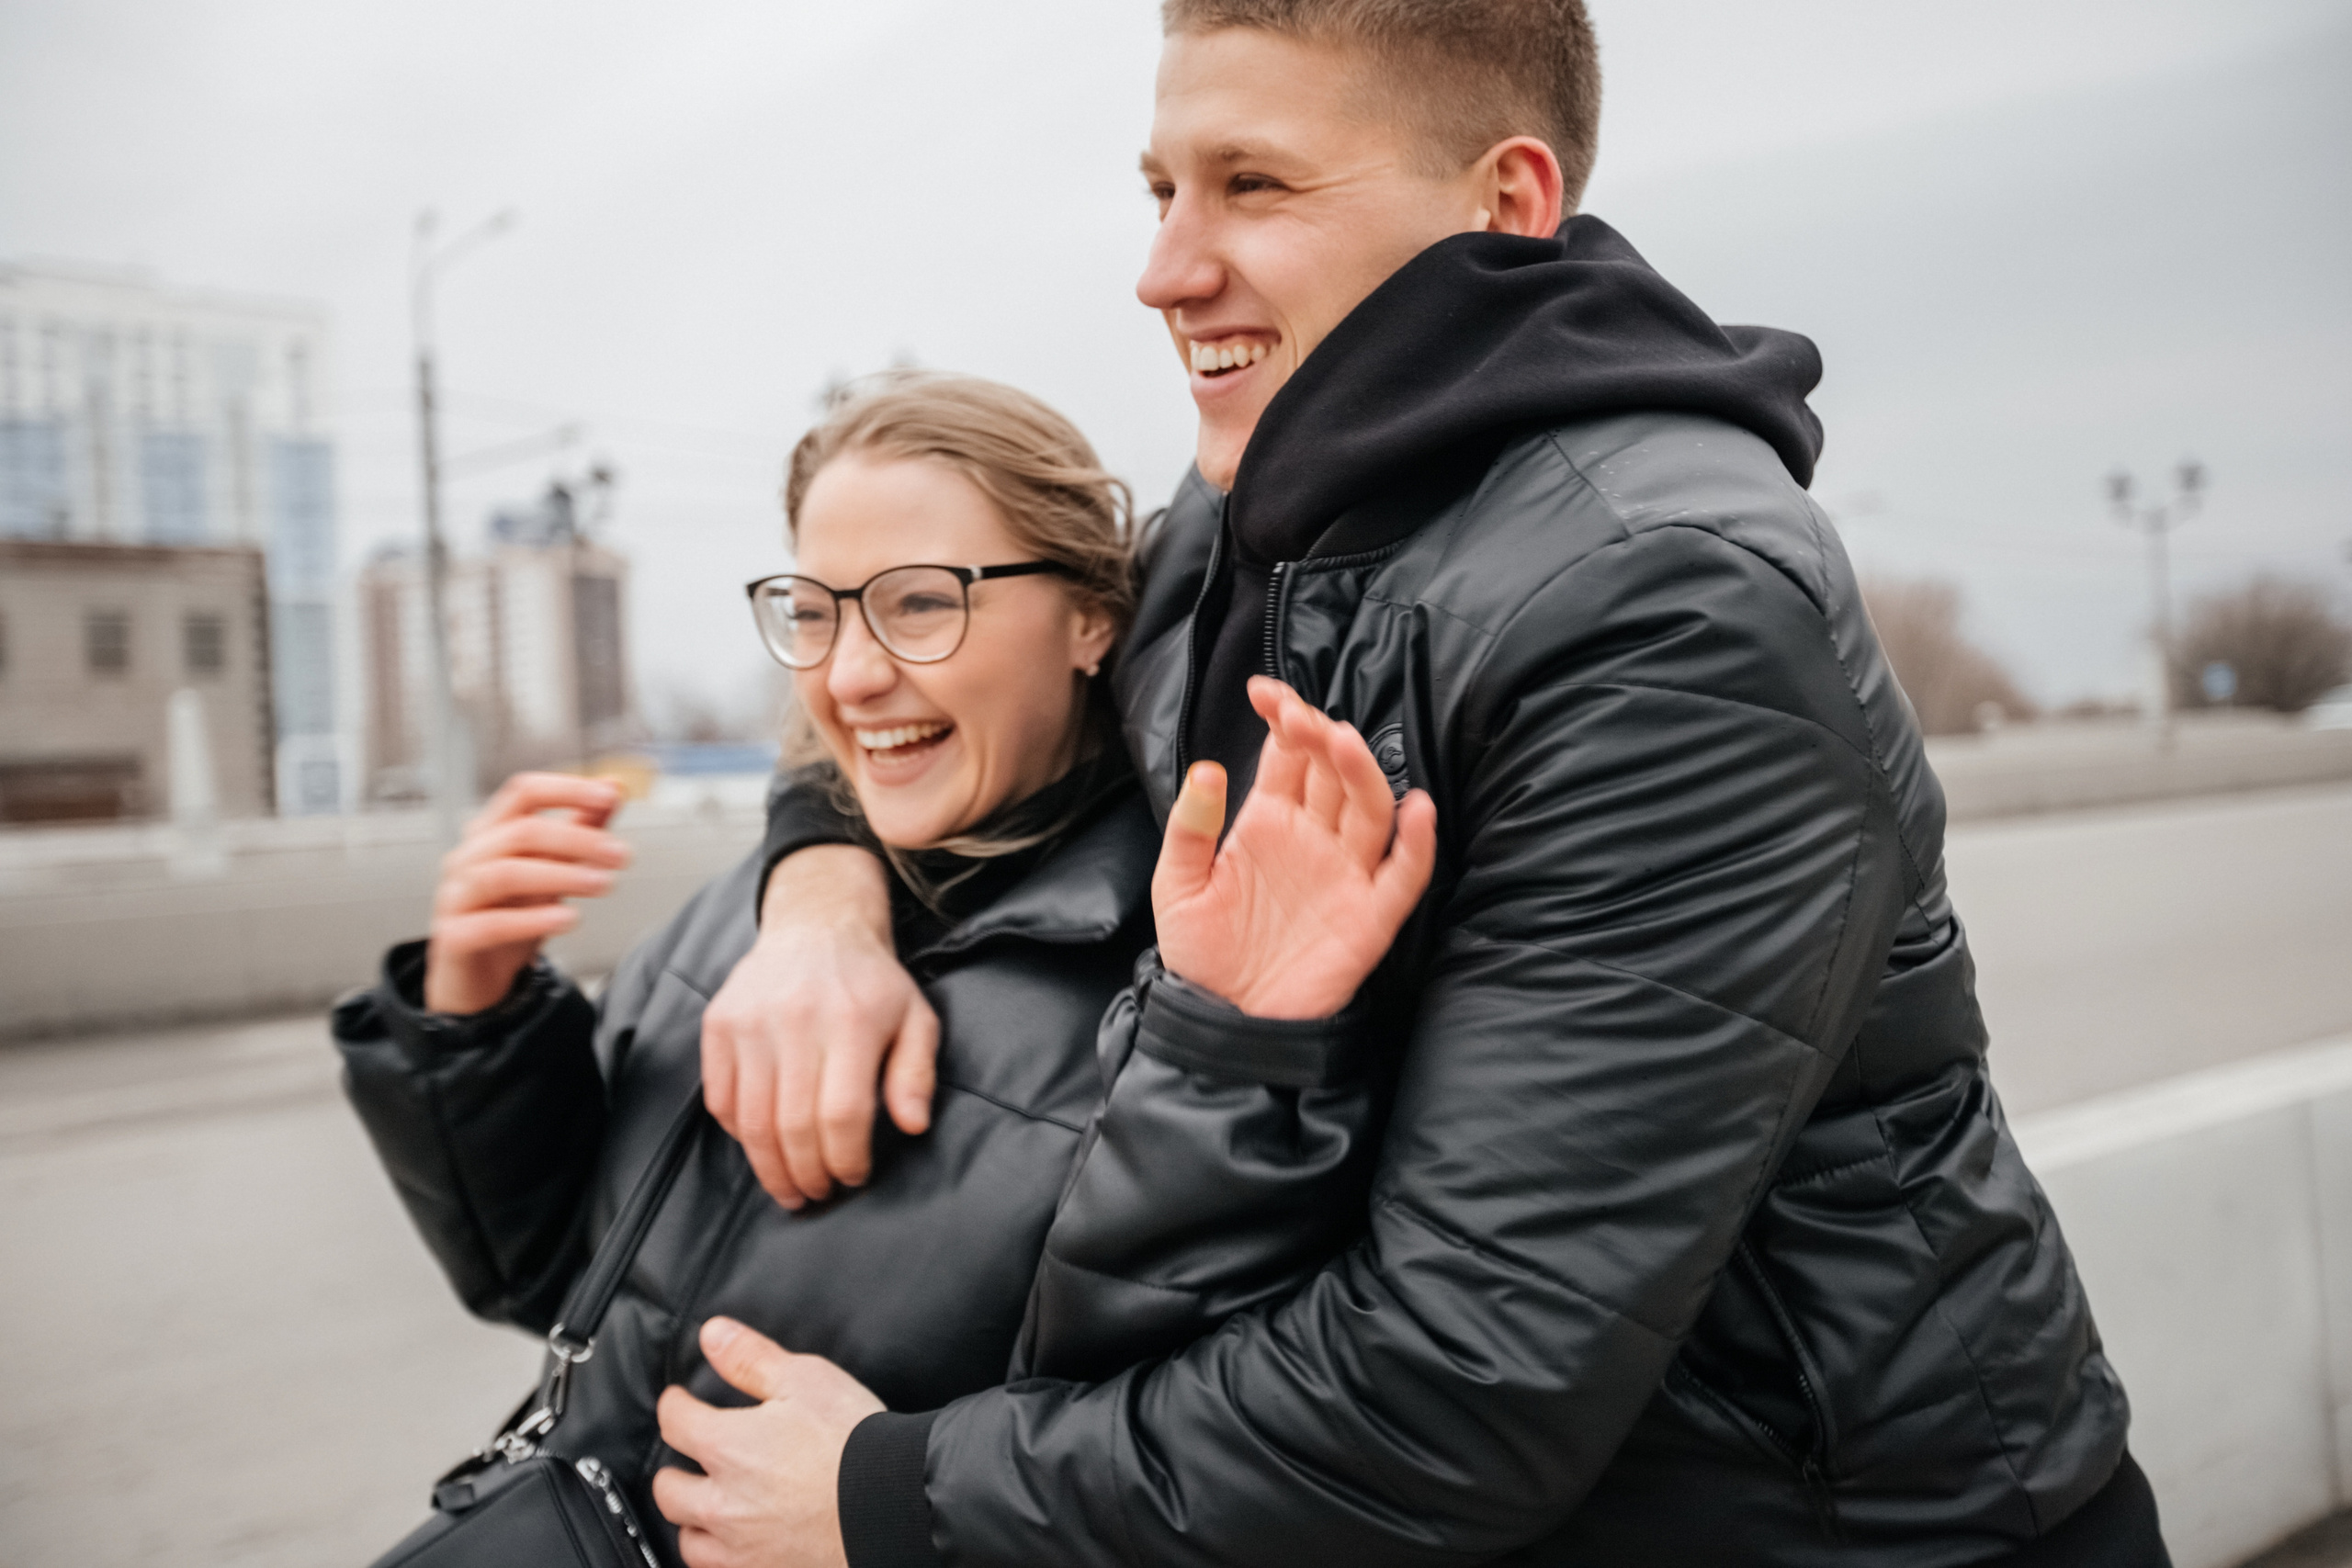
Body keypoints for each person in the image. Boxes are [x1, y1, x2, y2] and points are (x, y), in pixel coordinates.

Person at [687, 4, 2171, 1566]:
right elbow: (944, 694)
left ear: (1507, 203)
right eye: (1162, 189)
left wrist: (889, 1506)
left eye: (1252, 185)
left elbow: (1463, 1380)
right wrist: (822, 907)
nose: (1165, 268)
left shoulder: (1668, 610)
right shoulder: (1244, 526)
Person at [333, 374, 1434, 1568]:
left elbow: (1190, 1449)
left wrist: (888, 1507)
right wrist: (477, 1013)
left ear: (1090, 617)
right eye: (813, 610)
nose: (849, 676)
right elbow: (551, 1283)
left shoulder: (1192, 980)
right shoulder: (745, 911)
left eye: (918, 605)